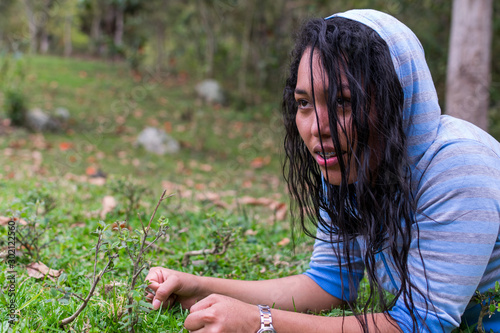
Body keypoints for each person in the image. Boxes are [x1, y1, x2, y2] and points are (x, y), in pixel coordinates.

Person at [145, 9, 500, 333]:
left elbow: (420, 324)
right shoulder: (348, 165)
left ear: (397, 98)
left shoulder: (459, 166)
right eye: (304, 103)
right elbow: (328, 284)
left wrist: (259, 323)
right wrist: (201, 286)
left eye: (343, 102)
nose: (317, 127)